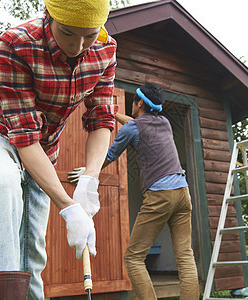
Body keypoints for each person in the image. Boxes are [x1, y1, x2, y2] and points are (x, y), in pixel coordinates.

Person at [0, 0, 117, 298]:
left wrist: (90, 178)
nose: (79, 45)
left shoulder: (105, 50)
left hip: (44, 152)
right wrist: (68, 206)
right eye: (69, 33)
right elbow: (23, 135)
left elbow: (101, 118)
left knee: (32, 251)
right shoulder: (15, 44)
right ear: (49, 16)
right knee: (3, 181)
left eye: (90, 34)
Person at [102, 83, 199, 299]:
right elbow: (135, 125)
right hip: (183, 193)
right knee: (185, 256)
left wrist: (87, 171)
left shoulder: (133, 129)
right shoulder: (164, 123)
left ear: (138, 103)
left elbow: (109, 156)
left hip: (160, 196)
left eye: (133, 102)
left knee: (134, 258)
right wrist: (114, 113)